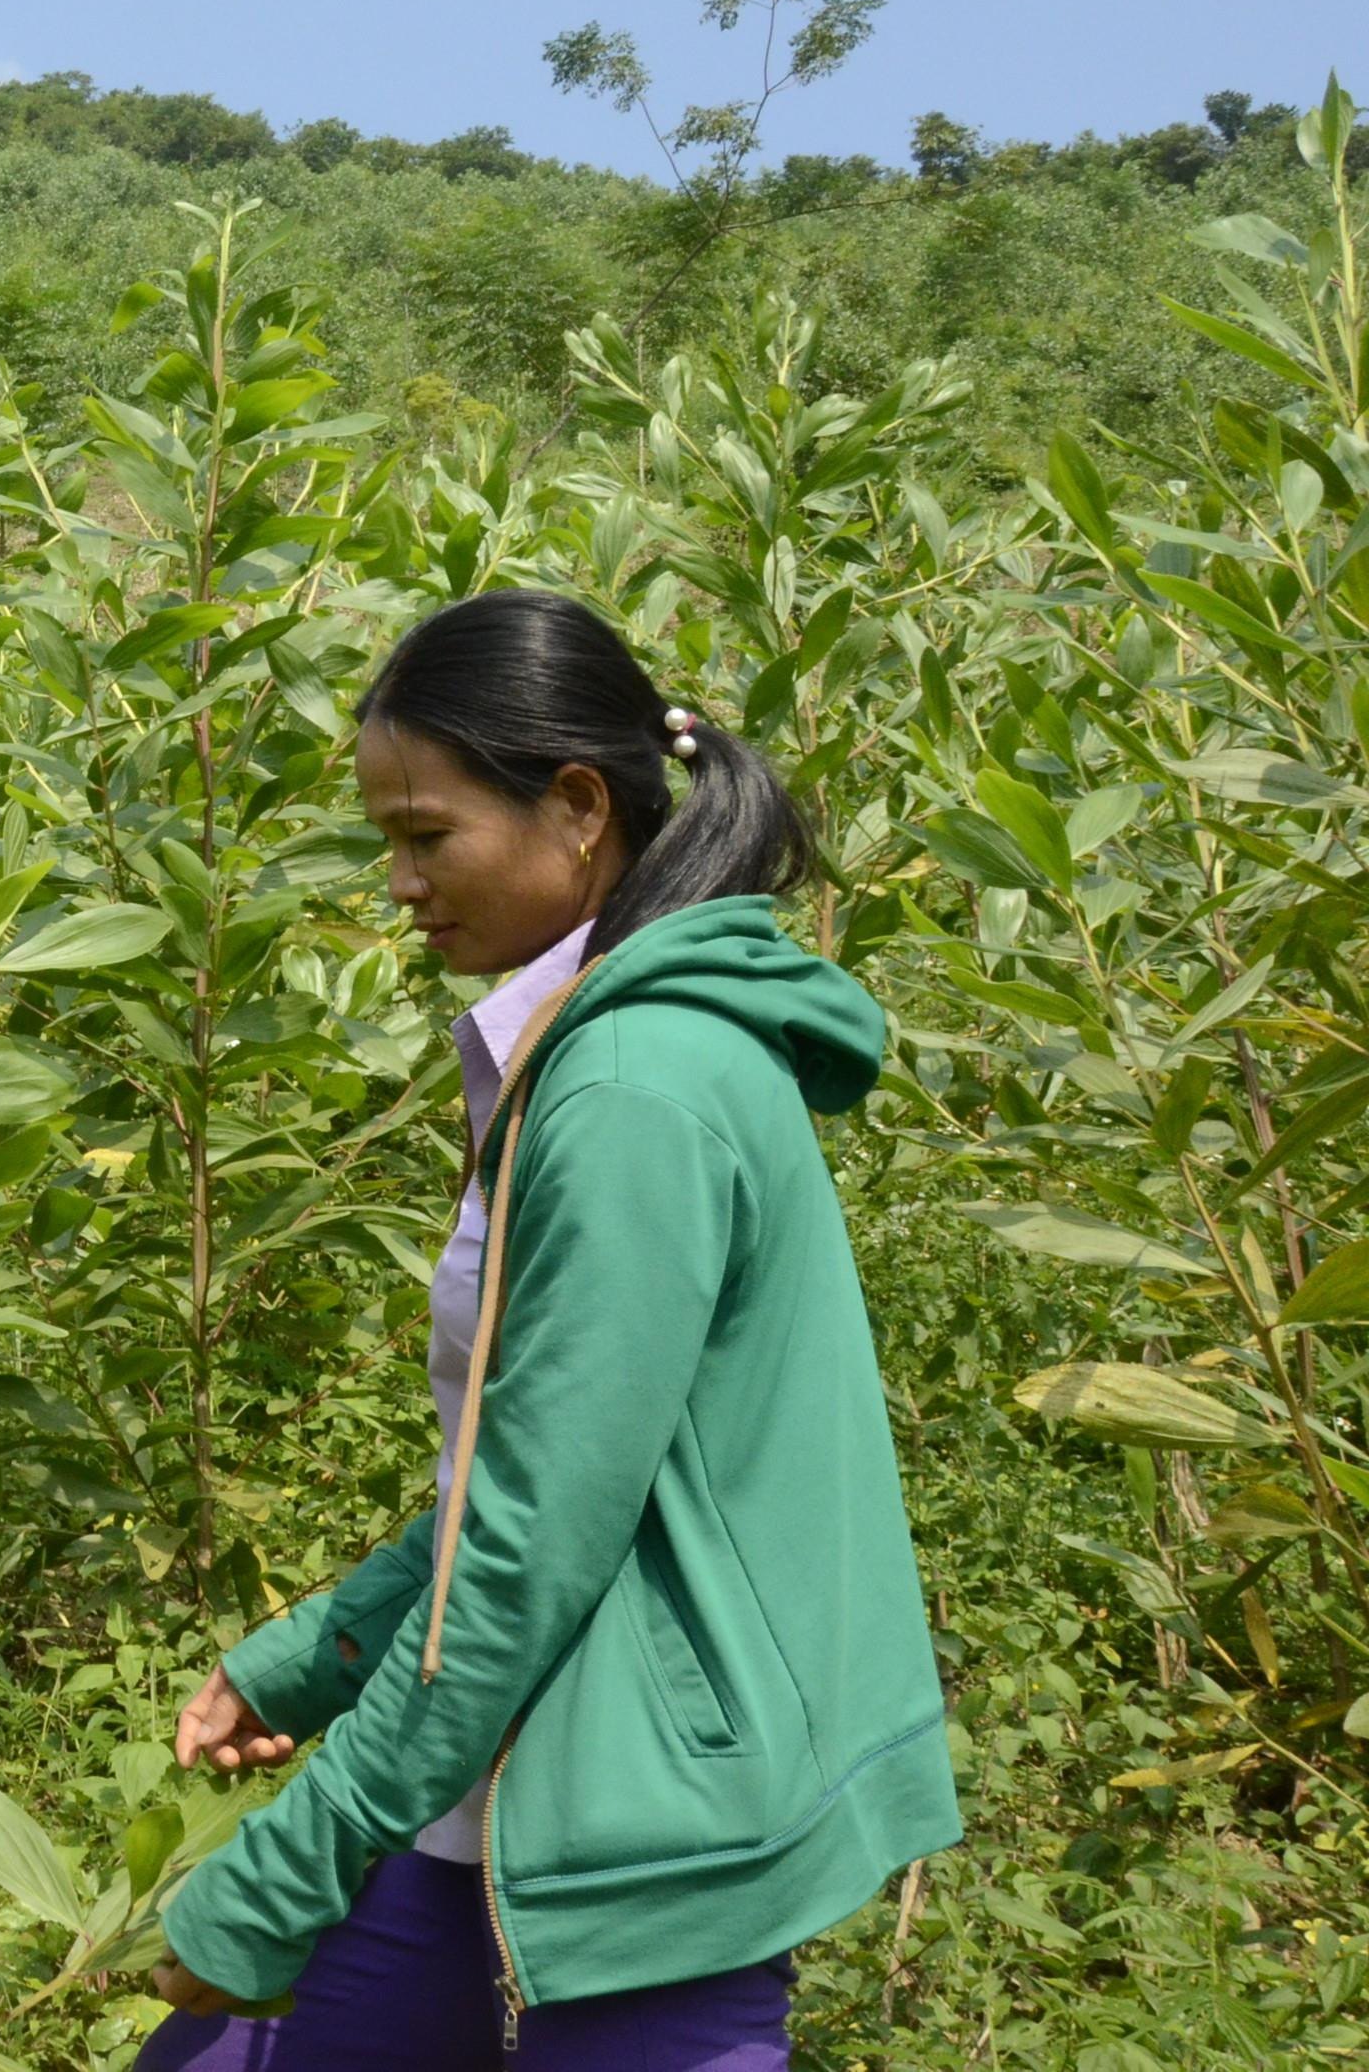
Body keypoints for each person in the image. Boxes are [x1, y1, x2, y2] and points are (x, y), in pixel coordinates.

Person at [140, 589, 959, 2072]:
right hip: (519, 1778)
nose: (397, 881)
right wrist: (317, 1654)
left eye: (426, 834)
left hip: (643, 1828)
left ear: (578, 807)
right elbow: (545, 1471)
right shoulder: (588, 1047)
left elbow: (530, 1543)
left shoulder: (634, 1087)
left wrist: (277, 1876)